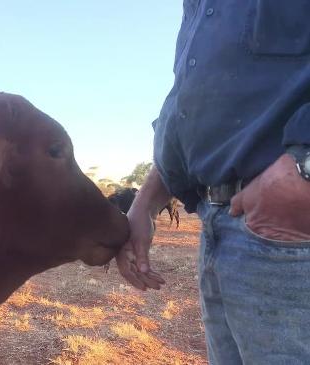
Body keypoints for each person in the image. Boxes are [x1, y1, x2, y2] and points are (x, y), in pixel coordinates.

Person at [115, 2, 310, 364]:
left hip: (292, 230)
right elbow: (189, 107)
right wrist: (146, 201)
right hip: (216, 222)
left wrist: (304, 170)